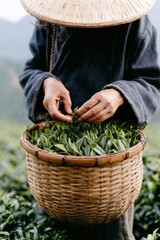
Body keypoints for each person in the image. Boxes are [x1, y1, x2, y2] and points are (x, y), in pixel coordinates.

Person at [19, 0, 160, 239]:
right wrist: (47, 83)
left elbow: (152, 82)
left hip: (111, 169)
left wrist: (118, 95)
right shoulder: (51, 21)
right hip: (58, 167)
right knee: (54, 230)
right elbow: (32, 69)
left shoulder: (134, 25)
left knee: (111, 233)